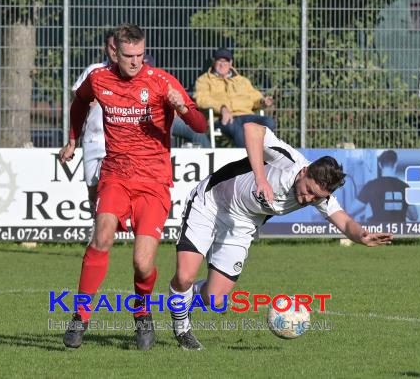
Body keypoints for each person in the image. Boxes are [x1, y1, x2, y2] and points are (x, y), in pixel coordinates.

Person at [168, 122, 393, 350]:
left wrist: (361, 236)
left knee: (213, 299)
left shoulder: (320, 196)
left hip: (242, 225)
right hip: (210, 204)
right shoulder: (288, 160)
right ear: (305, 172)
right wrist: (260, 178)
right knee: (185, 276)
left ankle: (182, 297)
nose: (308, 200)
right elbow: (251, 128)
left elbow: (344, 221)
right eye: (308, 191)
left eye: (316, 198)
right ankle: (182, 330)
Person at [58, 23, 207, 351]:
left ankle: (142, 314)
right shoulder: (99, 79)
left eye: (140, 55)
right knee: (102, 236)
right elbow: (79, 104)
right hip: (115, 175)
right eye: (129, 56)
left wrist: (181, 107)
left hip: (153, 182)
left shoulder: (160, 81)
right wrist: (72, 137)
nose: (136, 62)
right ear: (115, 52)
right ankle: (80, 317)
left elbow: (199, 125)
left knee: (142, 263)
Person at [59, 29, 117, 234]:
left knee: (113, 186)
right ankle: (97, 227)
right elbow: (79, 99)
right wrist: (72, 141)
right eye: (111, 46)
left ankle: (113, 229)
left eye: (117, 46)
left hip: (117, 142)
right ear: (106, 47)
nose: (114, 50)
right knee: (93, 189)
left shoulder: (131, 74)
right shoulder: (94, 71)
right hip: (93, 139)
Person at [193, 48, 275, 147]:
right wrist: (221, 108)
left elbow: (254, 97)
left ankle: (261, 153)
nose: (222, 64)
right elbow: (201, 99)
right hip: (222, 118)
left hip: (246, 115)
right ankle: (247, 159)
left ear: (231, 63)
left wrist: (262, 101)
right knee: (238, 129)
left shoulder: (242, 81)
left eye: (226, 61)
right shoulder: (204, 80)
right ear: (214, 61)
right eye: (219, 60)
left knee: (268, 122)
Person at [355, 150, 418, 223]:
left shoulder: (371, 185)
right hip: (399, 232)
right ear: (395, 164)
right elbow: (414, 216)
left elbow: (351, 211)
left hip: (379, 231)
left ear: (380, 165)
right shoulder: (405, 187)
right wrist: (401, 209)